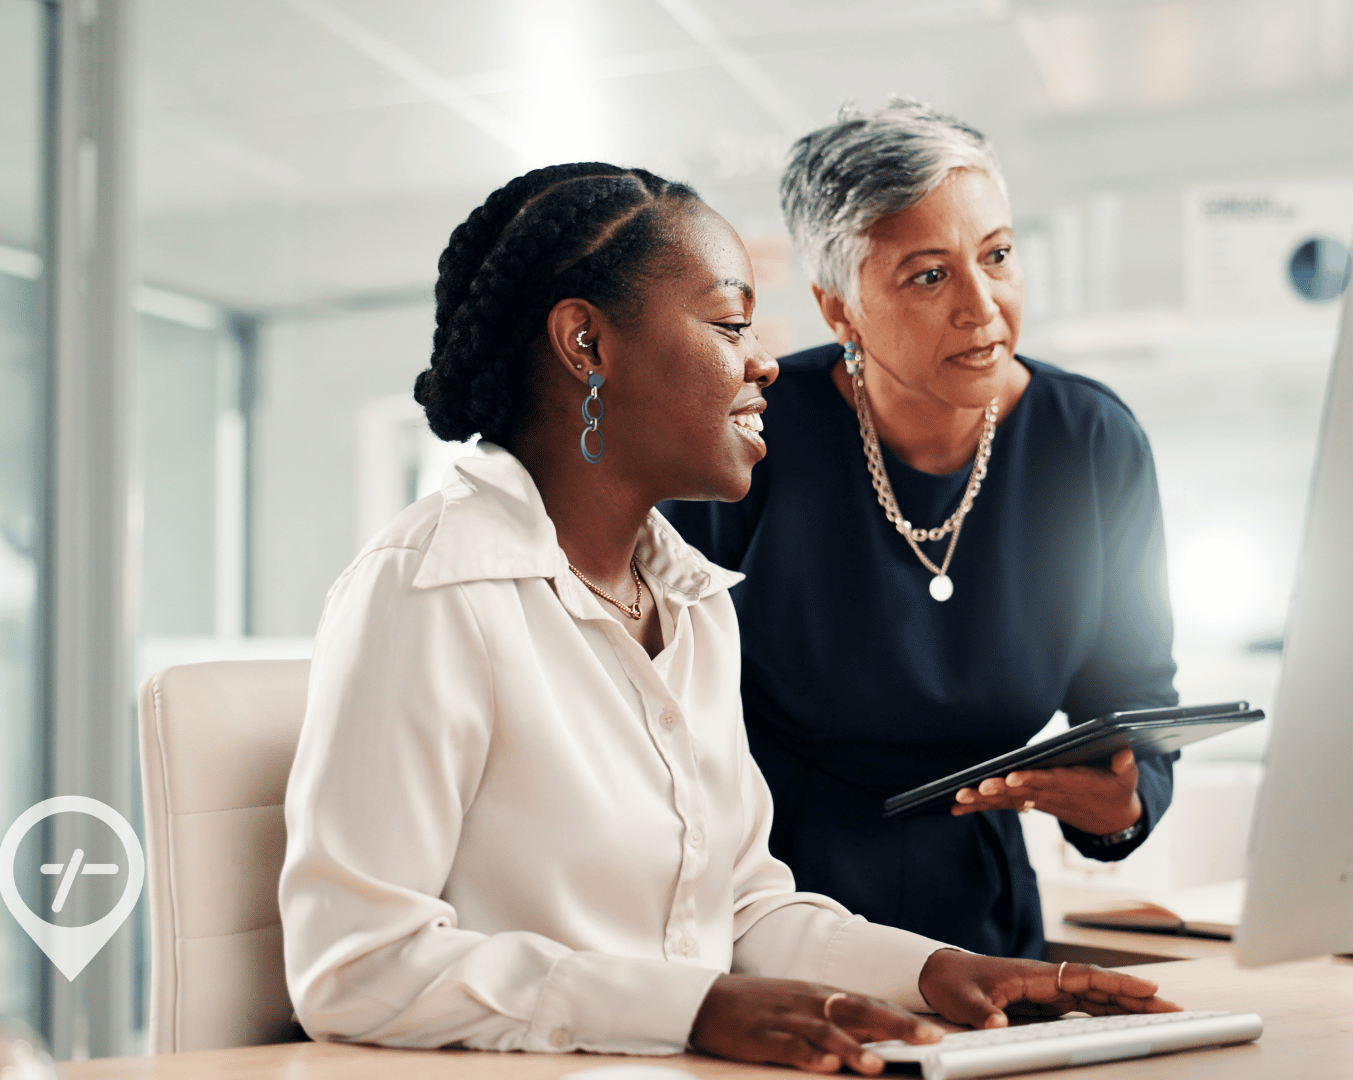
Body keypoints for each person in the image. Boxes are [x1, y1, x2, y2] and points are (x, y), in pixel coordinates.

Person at [278, 163, 1176, 1067]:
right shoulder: (430, 589)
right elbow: (357, 966)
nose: (764, 363)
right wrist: (694, 1010)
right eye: (730, 325)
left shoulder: (694, 598)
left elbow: (742, 907)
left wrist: (938, 970)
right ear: (586, 345)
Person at [662, 102, 1179, 960]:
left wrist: (1125, 804)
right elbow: (656, 705)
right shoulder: (750, 431)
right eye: (928, 275)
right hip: (769, 910)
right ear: (840, 310)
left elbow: (1135, 704)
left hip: (983, 916)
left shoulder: (1091, 442)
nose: (984, 308)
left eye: (999, 256)